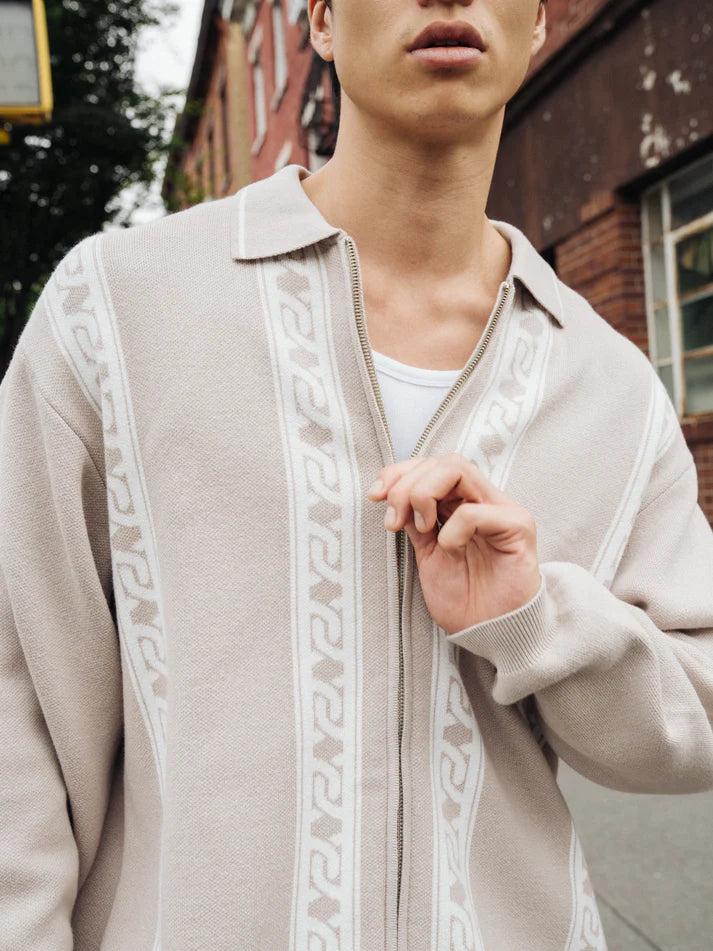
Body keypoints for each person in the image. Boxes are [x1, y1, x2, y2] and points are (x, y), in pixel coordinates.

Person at [1, 0, 712, 947]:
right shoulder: (116, 314)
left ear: (539, 22)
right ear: (323, 22)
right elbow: (20, 709)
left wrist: (538, 620)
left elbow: (697, 712)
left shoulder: (609, 383)